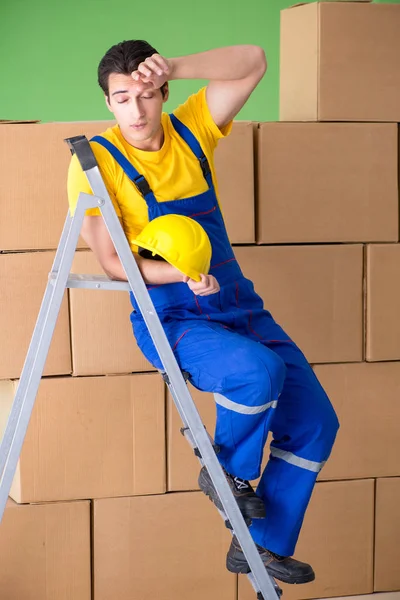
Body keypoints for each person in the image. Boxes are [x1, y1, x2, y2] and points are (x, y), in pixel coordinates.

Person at [67, 40, 340, 585]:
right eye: (122, 99)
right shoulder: (95, 163)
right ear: (108, 103)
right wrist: (179, 274)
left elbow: (255, 61)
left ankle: (260, 547)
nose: (137, 110)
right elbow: (114, 262)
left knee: (315, 424)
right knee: (256, 372)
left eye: (147, 94)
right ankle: (229, 471)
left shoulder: (192, 128)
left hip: (238, 302)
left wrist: (178, 65)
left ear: (164, 92)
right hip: (174, 316)